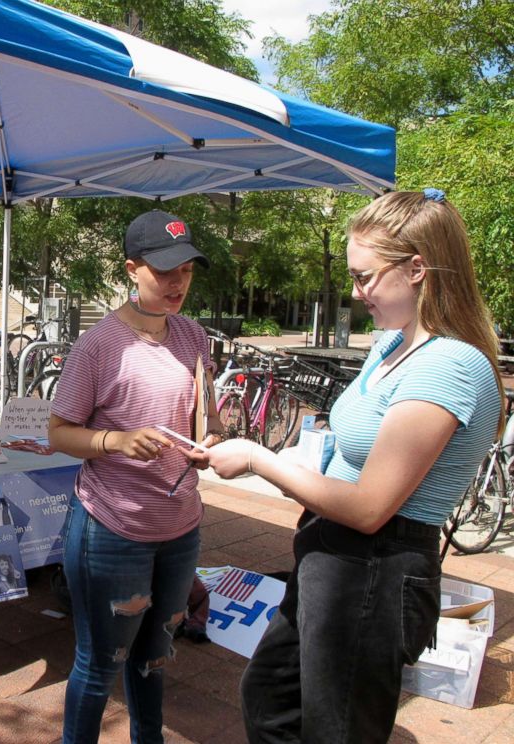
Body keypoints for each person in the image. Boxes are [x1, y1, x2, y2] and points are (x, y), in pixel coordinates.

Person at [207, 189, 506, 743]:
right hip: (331, 555)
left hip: (373, 566)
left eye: (365, 276)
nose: (355, 291)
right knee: (271, 696)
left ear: (417, 268)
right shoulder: (392, 345)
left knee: (335, 729)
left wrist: (257, 459)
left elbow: (370, 508)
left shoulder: (450, 365)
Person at [48, 209, 226, 744]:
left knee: (154, 658)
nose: (177, 283)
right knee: (99, 666)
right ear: (132, 269)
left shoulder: (194, 336)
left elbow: (208, 415)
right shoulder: (99, 345)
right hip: (112, 529)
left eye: (187, 271)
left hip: (179, 528)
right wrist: (116, 441)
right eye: (164, 270)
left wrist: (212, 438)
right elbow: (59, 431)